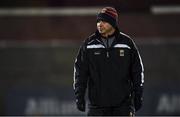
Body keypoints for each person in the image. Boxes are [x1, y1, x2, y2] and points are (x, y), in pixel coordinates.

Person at [73, 6, 144, 116]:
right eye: (98, 21)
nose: (99, 24)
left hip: (123, 106)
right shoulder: (89, 44)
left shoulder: (127, 44)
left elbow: (137, 71)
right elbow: (80, 72)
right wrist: (79, 96)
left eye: (104, 21)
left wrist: (138, 95)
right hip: (97, 107)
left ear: (113, 23)